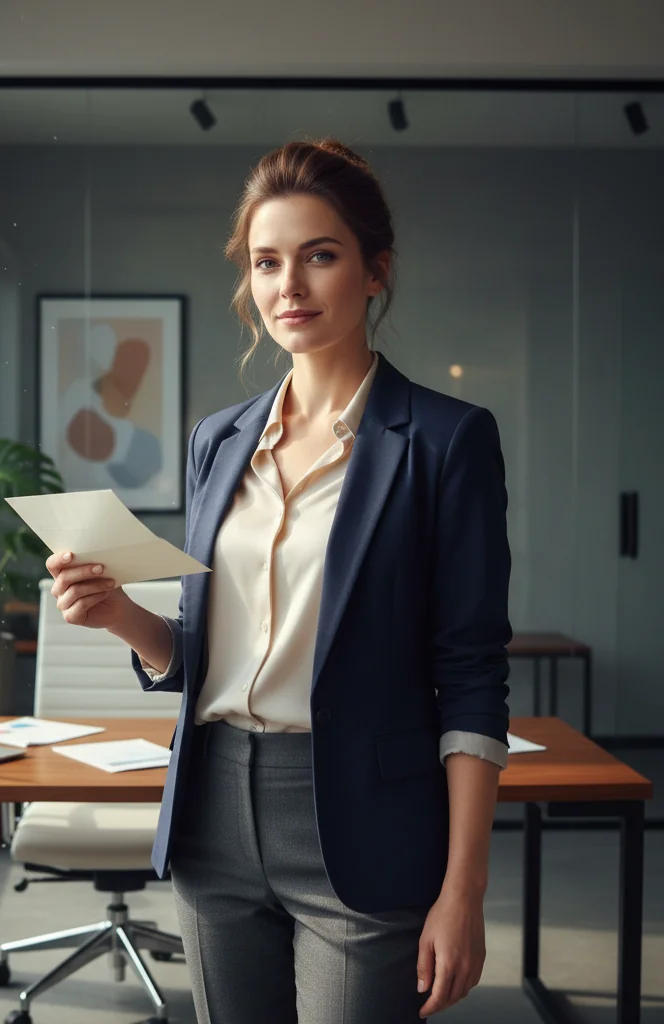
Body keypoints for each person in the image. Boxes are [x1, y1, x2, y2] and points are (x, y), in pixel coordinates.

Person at [45, 138, 511, 1024]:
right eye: (267, 262)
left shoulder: (447, 441)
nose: (288, 286)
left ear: (375, 272)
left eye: (319, 256)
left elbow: (474, 676)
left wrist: (464, 890)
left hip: (359, 825)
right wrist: (120, 617)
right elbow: (202, 653)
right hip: (212, 813)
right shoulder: (217, 441)